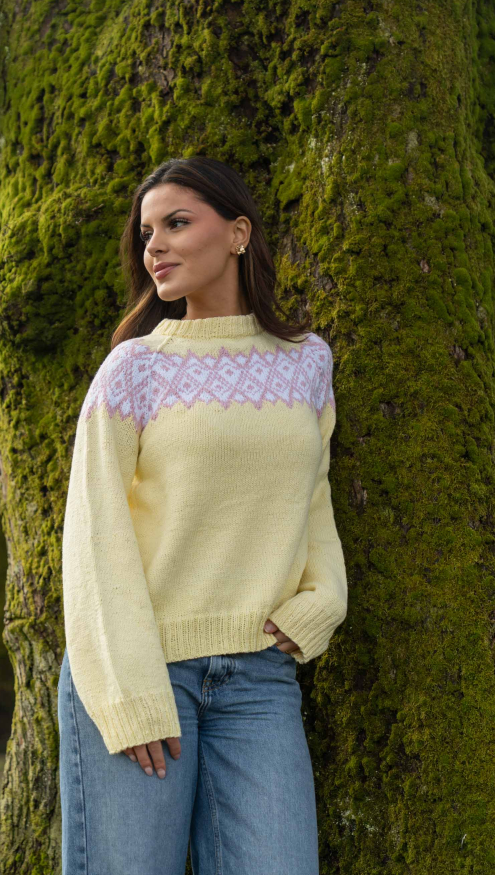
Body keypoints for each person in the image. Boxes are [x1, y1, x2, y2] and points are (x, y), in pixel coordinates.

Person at [58, 155, 348, 875]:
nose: (154, 246)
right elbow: (93, 533)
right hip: (139, 666)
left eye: (176, 224)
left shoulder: (306, 362)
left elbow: (311, 496)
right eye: (146, 232)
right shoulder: (134, 368)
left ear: (238, 233)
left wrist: (325, 599)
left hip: (259, 681)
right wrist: (130, 693)